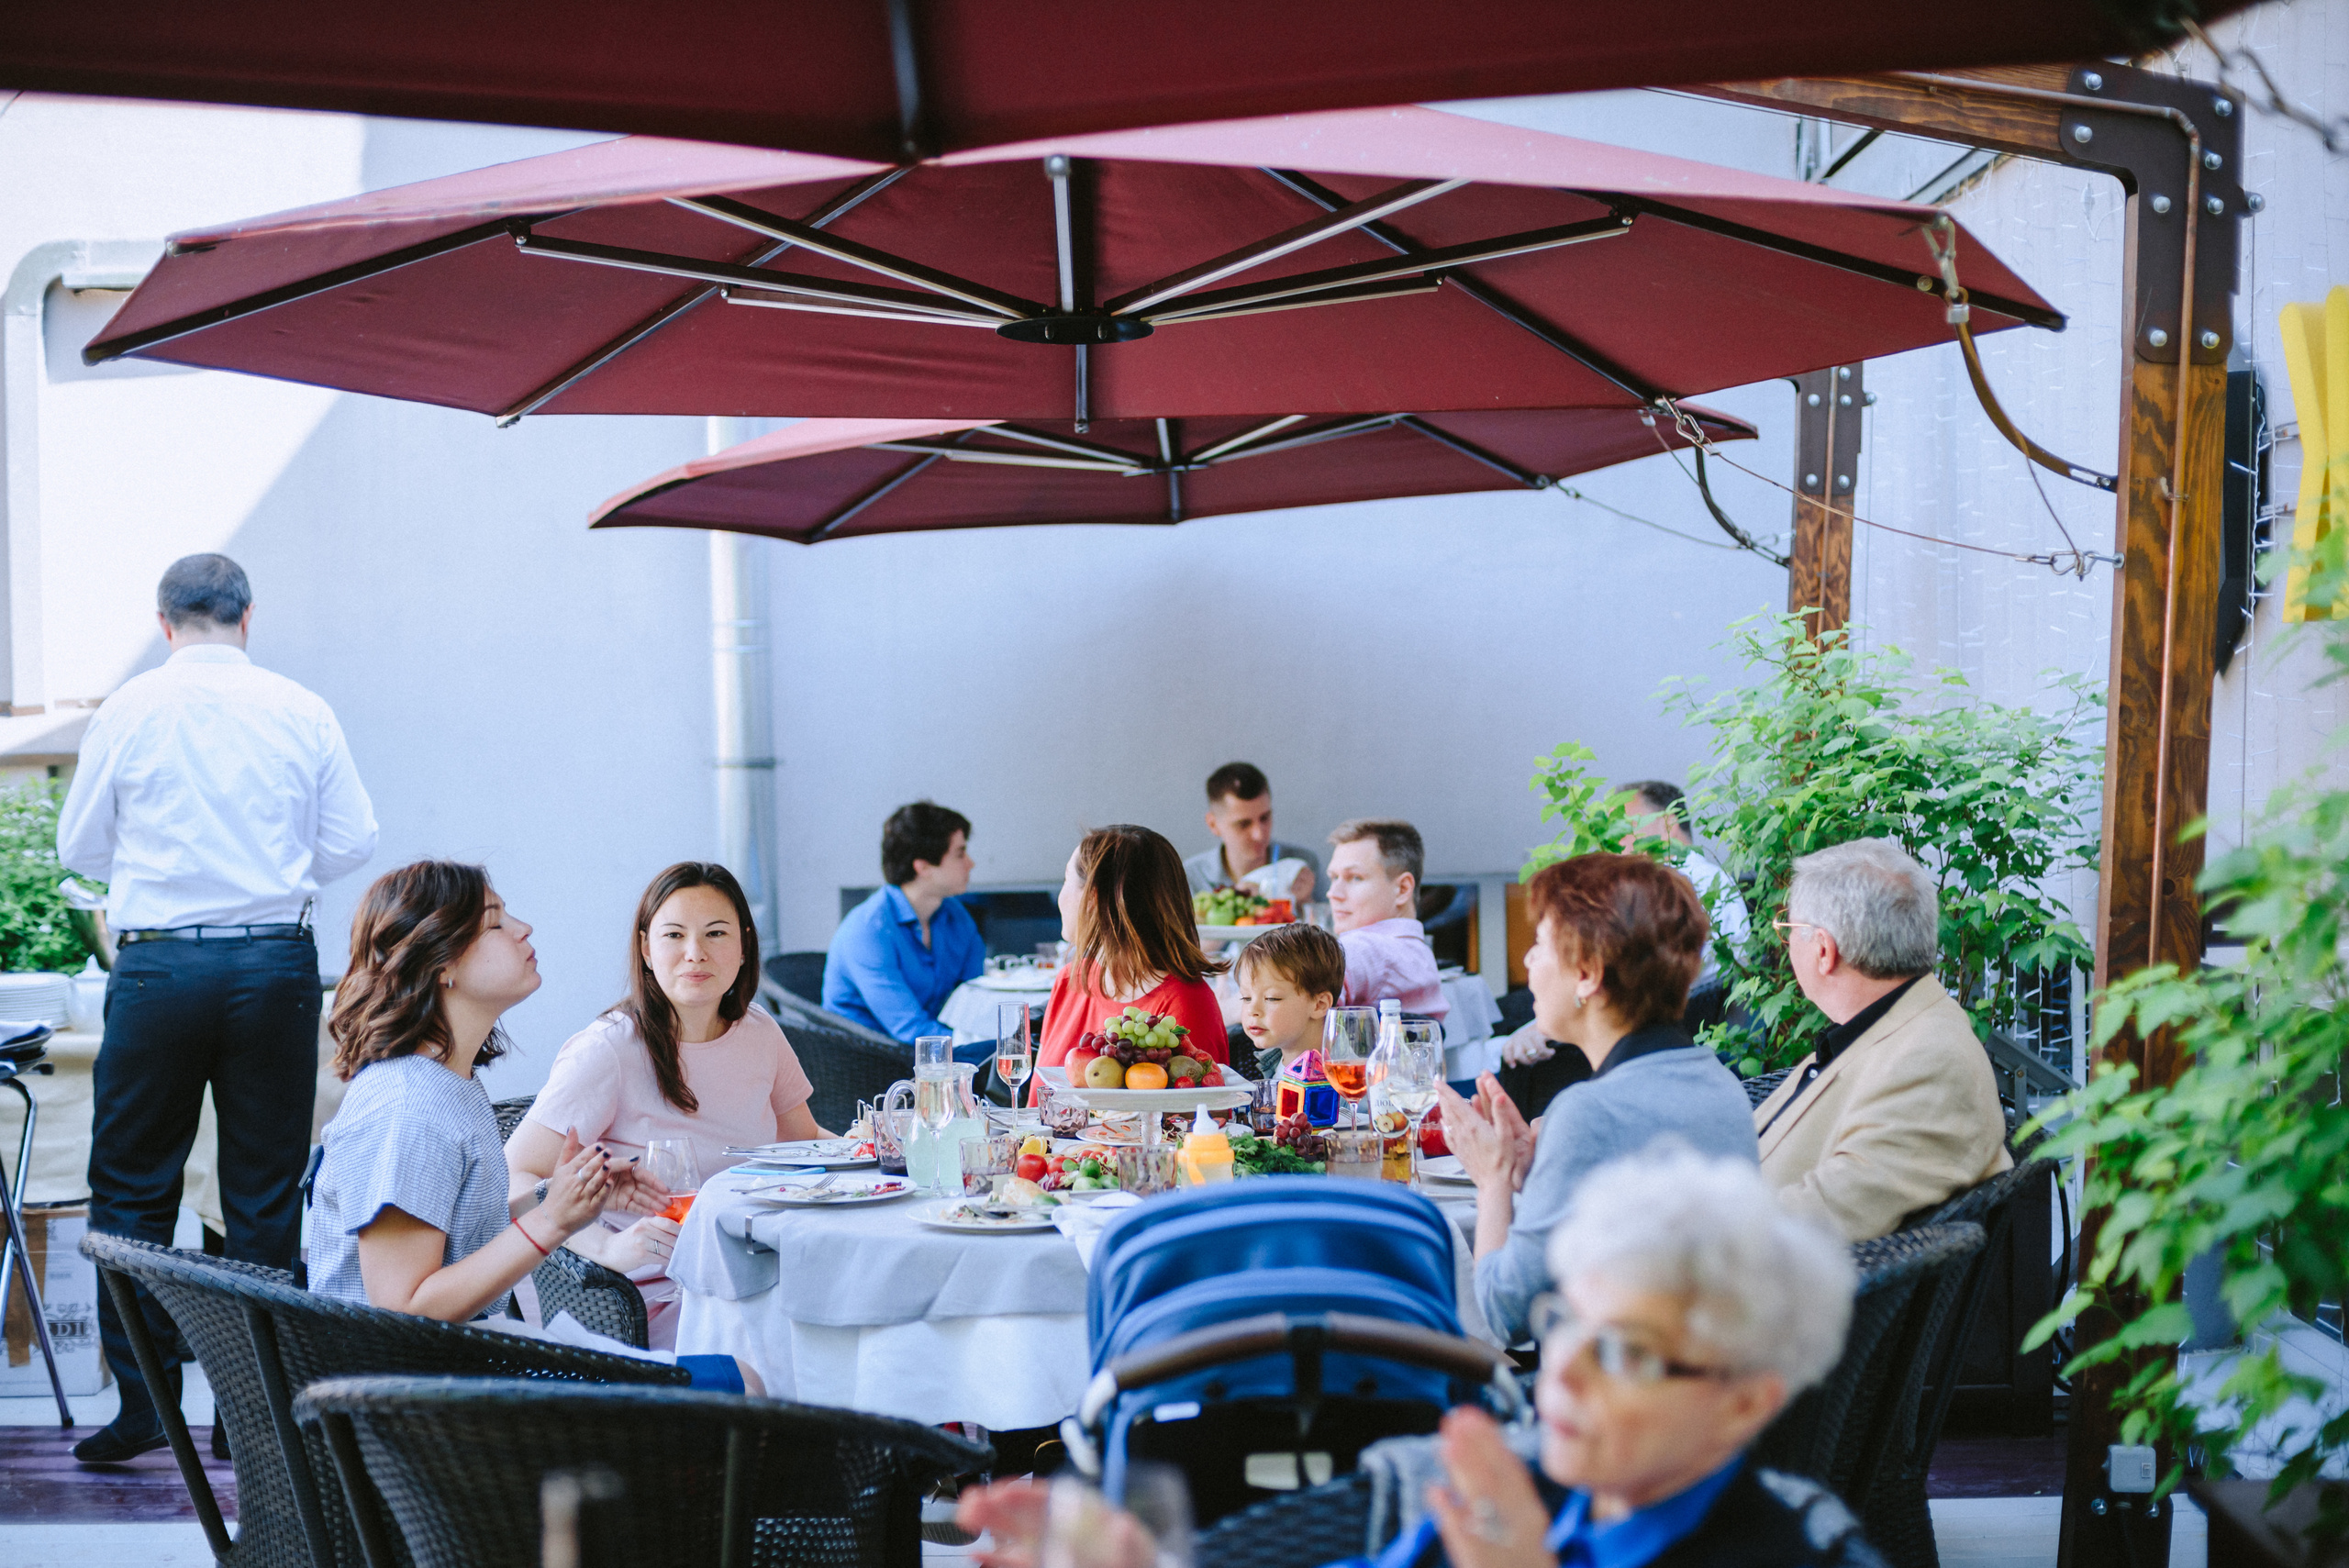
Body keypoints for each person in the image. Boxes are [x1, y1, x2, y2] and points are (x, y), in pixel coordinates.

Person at [953, 1151, 1880, 1568]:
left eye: (1628, 1354)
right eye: (1564, 1323)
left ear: (1744, 1402)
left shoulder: (1800, 1547)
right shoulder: (1512, 1489)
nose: (1561, 1373)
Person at [57, 553, 378, 1463]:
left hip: (160, 966)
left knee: (130, 1186)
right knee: (264, 1190)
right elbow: (355, 835)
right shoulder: (300, 706)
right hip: (276, 961)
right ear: (247, 617)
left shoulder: (128, 707)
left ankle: (143, 1402)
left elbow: (79, 843)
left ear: (164, 624)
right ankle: (247, 1406)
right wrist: (268, 876)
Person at [308, 862, 754, 1390]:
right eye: (495, 922)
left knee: (741, 1374)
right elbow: (403, 1310)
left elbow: (456, 1222)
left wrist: (565, 1197)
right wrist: (552, 1223)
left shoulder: (446, 1082)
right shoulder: (408, 1107)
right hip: (417, 1405)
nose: (523, 928)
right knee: (739, 1384)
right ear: (441, 962)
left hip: (462, 1368)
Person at [1440, 853, 1757, 1347]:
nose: (1527, 961)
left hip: (1615, 1400)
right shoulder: (1719, 1083)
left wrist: (1493, 1178)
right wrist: (1537, 1173)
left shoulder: (1590, 1111)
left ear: (1587, 974)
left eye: (1540, 945)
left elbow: (1503, 1314)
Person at [507, 862, 827, 1349]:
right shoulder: (610, 1050)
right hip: (654, 1296)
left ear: (743, 946)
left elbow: (804, 1141)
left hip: (761, 1272)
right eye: (674, 935)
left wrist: (887, 1149)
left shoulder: (760, 1031)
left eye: (715, 934)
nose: (695, 954)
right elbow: (514, 1177)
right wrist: (606, 1247)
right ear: (646, 950)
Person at [1753, 839, 2011, 1240]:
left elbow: (1817, 1220)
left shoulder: (1927, 1063)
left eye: (1789, 928)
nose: (1785, 944)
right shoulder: (1891, 1023)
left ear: (1823, 950)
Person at [1037, 826, 1229, 1080]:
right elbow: (1035, 1109)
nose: (1061, 896)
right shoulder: (1068, 980)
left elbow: (1202, 1115)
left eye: (1065, 881)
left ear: (1092, 899)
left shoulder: (1186, 1003)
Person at [822, 801, 985, 1048]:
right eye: (960, 853)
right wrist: (987, 1045)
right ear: (923, 867)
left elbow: (976, 997)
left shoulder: (955, 916)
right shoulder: (867, 930)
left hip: (931, 1055)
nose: (970, 863)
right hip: (868, 1063)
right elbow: (909, 1029)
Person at [1620, 780, 1751, 993]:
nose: (1615, 842)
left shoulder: (1689, 882)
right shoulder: (1705, 877)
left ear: (1667, 823)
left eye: (1624, 827)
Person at [1327, 818, 1448, 1021]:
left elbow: (1304, 1015)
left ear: (1402, 889)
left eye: (1355, 877)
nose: (1333, 893)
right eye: (1333, 878)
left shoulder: (1360, 949)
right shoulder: (1418, 953)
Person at [1182, 762, 1321, 904]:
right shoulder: (1190, 877)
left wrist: (1305, 902)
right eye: (1243, 824)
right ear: (1213, 824)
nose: (1259, 835)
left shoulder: (1303, 865)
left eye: (1264, 818)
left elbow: (1330, 923)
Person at [1232, 923, 1346, 1080]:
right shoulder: (1269, 1065)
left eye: (1272, 998)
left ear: (1320, 1005)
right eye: (1246, 998)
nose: (1253, 1010)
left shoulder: (1345, 1081)